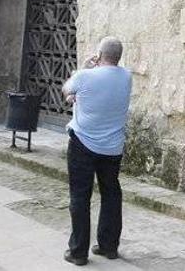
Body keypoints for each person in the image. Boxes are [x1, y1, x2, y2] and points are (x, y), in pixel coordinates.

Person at [61, 37, 133, 266]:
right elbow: (100, 95)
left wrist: (84, 67)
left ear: (99, 54)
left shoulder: (85, 76)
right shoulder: (127, 77)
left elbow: (67, 89)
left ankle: (78, 252)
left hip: (83, 143)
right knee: (111, 193)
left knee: (80, 196)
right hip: (112, 147)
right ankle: (109, 246)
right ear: (119, 56)